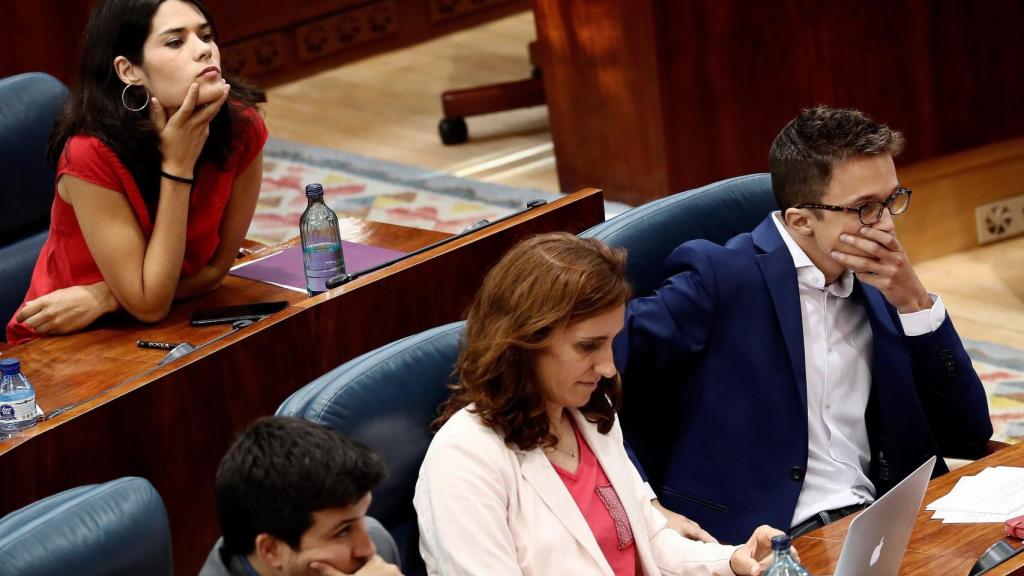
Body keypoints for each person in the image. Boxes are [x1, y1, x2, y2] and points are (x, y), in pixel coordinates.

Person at [614, 105, 992, 543]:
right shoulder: (720, 278)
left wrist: (915, 303)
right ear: (800, 221)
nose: (887, 225)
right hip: (761, 540)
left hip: (879, 525)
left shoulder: (883, 283)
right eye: (865, 208)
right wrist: (644, 502)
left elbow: (967, 434)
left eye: (891, 200)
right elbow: (584, 373)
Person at [415, 232, 785, 575]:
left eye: (611, 342)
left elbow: (650, 541)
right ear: (523, 343)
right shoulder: (463, 460)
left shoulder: (589, 415)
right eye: (588, 346)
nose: (608, 366)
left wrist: (733, 558)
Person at [6, 0, 269, 344]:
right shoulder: (90, 152)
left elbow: (215, 271)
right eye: (176, 42)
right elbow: (149, 305)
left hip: (175, 317)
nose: (204, 50)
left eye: (205, 35)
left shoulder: (242, 127)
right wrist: (177, 166)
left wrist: (104, 297)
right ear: (129, 70)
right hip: (66, 342)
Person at [201, 416, 403, 576]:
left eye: (361, 516)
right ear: (271, 550)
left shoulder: (376, 546)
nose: (368, 548)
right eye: (342, 531)